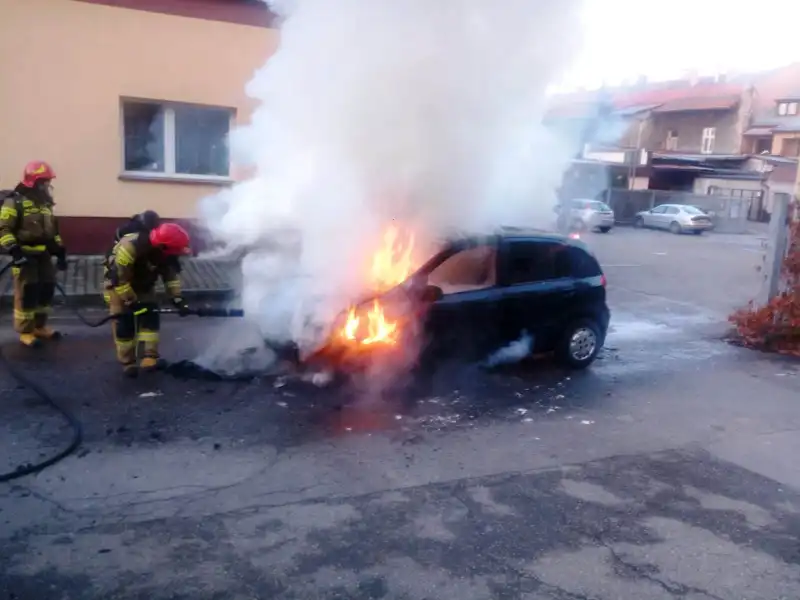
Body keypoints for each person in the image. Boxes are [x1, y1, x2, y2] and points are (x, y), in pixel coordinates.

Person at [104, 222, 192, 377]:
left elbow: (170, 278)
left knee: (150, 316)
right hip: (118, 286)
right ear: (163, 247)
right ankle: (128, 363)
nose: (176, 255)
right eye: (175, 251)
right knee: (124, 323)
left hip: (144, 284)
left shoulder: (165, 253)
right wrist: (131, 301)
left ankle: (149, 358)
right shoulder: (129, 248)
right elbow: (119, 279)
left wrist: (178, 299)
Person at [0, 161, 67, 347]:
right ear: (34, 181)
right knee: (28, 292)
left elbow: (53, 231)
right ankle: (26, 331)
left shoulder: (45, 204)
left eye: (48, 181)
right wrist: (14, 251)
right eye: (44, 181)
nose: (47, 185)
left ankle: (39, 326)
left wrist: (60, 251)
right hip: (24, 254)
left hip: (43, 254)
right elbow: (4, 229)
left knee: (47, 288)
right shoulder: (14, 202)